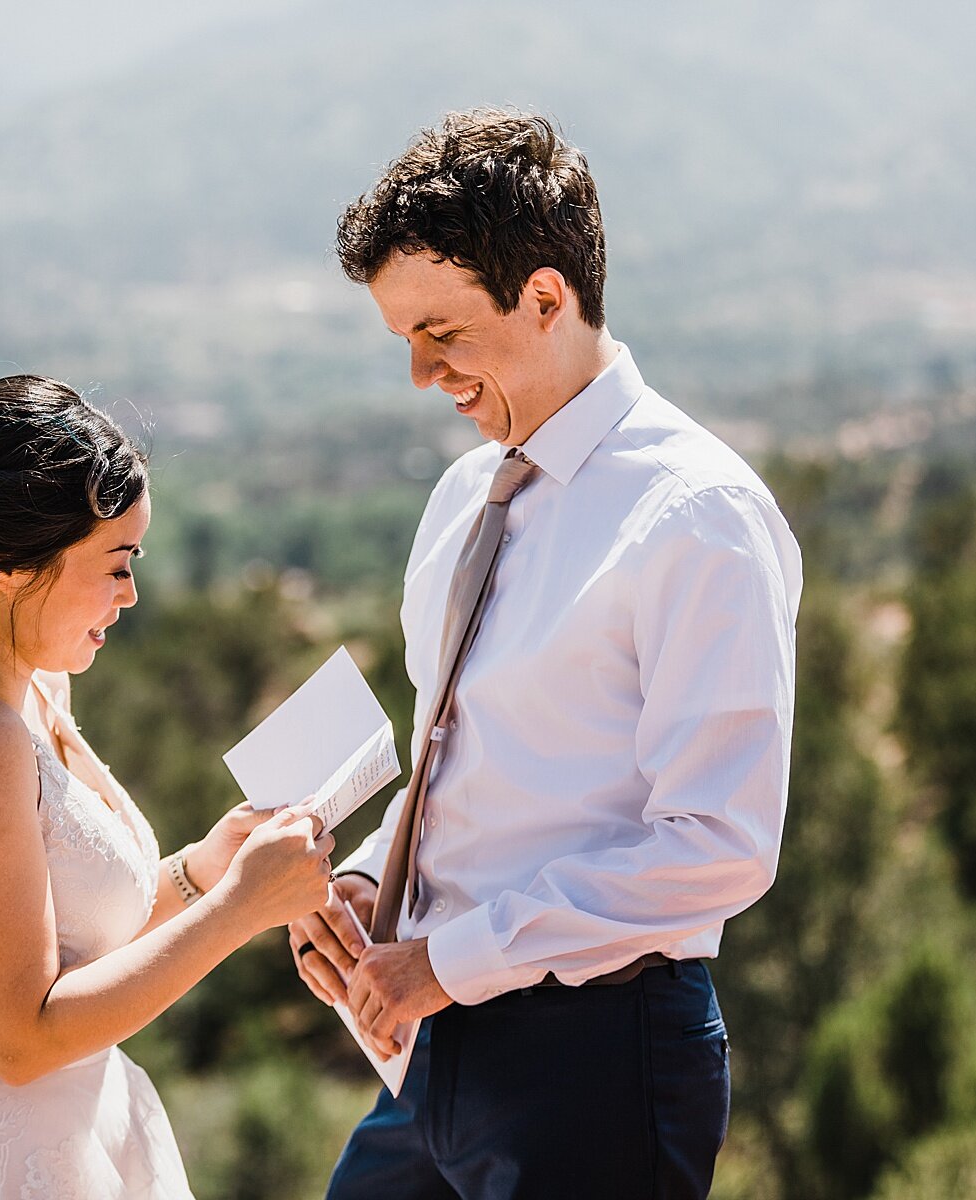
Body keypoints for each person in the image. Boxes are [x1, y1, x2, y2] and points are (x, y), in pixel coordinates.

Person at [287, 110, 804, 1198]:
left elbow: (720, 843)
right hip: (431, 1056)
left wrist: (446, 962)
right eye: (404, 341)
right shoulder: (464, 494)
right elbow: (466, 771)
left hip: (600, 1058)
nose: (424, 375)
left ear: (547, 297)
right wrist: (363, 886)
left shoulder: (695, 515)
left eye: (446, 333)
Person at [0, 375, 333, 1199]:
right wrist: (240, 913)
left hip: (69, 1140)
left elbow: (71, 947)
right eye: (115, 565)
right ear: (11, 564)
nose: (129, 595)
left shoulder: (30, 688)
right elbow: (20, 1038)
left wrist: (201, 871)